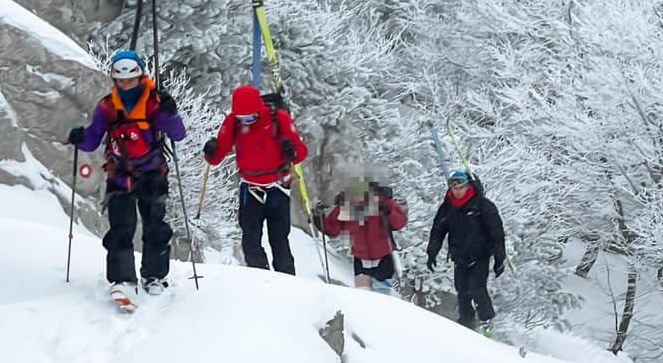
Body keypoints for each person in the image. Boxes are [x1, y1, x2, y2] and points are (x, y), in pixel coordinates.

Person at [68, 49, 186, 308]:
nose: (125, 85)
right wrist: (79, 137)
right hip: (119, 174)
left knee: (155, 226)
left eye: (130, 80)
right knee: (121, 228)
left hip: (153, 174)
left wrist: (171, 112)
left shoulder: (155, 102)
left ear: (140, 76)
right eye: (120, 80)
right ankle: (122, 280)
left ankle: (154, 276)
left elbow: (178, 135)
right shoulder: (107, 106)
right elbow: (92, 140)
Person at [203, 85, 308, 274]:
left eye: (251, 117)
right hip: (250, 186)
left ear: (259, 109)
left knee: (279, 238)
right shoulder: (233, 122)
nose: (247, 122)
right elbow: (217, 155)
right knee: (250, 239)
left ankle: (288, 282)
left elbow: (301, 152)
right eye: (242, 118)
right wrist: (211, 151)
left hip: (277, 184)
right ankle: (260, 279)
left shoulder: (279, 118)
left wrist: (291, 151)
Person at [427, 170, 506, 330]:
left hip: (480, 255)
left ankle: (487, 321)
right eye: (453, 188)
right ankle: (466, 324)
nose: (457, 191)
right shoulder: (448, 206)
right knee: (462, 290)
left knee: (477, 287)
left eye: (460, 187)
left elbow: (497, 233)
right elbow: (438, 230)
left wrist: (499, 259)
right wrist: (432, 252)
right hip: (459, 256)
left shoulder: (483, 205)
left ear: (468, 186)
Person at [318, 176, 408, 289]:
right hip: (360, 258)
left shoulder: (383, 204)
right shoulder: (347, 208)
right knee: (363, 295)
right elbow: (332, 229)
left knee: (384, 295)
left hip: (383, 256)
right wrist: (319, 218)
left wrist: (390, 212)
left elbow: (399, 223)